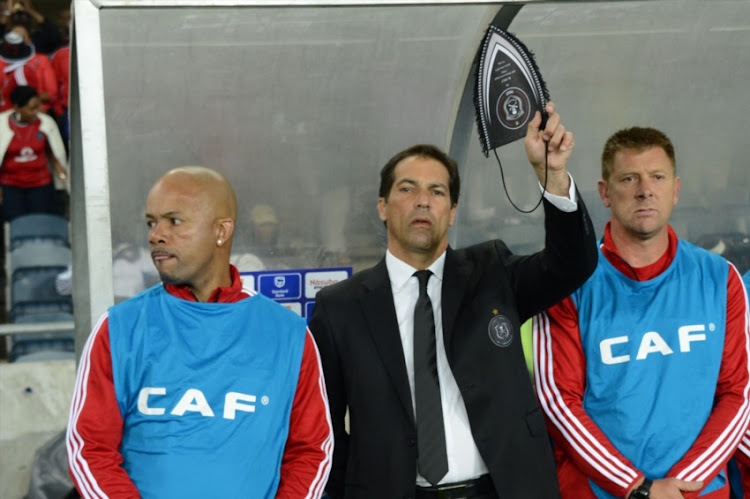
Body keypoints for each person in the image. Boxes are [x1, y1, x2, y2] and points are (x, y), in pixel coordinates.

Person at [308, 102, 598, 498]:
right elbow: (324, 429)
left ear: (452, 211)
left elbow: (572, 265)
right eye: (407, 189)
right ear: (382, 207)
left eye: (437, 191)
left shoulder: (492, 271)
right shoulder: (339, 307)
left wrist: (552, 174)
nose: (423, 200)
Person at [66, 166, 333, 498]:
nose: (155, 235)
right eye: (152, 222)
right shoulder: (119, 327)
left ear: (221, 231)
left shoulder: (288, 333)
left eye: (174, 221)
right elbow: (89, 449)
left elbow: (311, 451)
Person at [533, 127, 750, 498]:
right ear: (604, 193)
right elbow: (558, 402)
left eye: (657, 177)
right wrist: (640, 488)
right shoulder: (569, 283)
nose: (644, 189)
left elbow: (738, 394)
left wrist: (680, 487)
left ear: (676, 190)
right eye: (629, 177)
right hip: (602, 492)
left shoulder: (719, 278)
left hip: (697, 491)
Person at [0, 84, 65, 221]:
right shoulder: (2, 124)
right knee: (14, 224)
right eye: (31, 109)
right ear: (17, 107)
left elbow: (54, 153)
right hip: (11, 186)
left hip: (40, 185)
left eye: (38, 107)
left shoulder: (45, 123)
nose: (37, 112)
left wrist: (63, 177)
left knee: (40, 222)